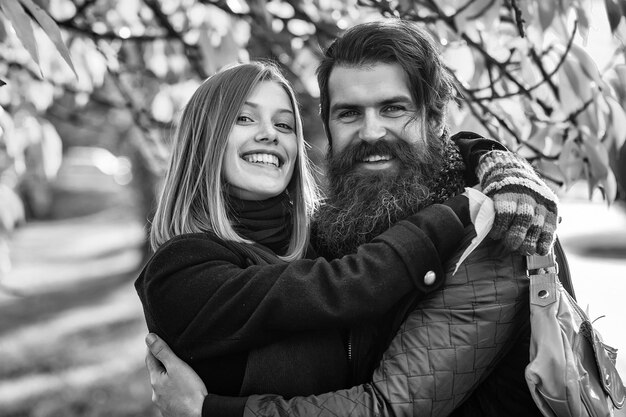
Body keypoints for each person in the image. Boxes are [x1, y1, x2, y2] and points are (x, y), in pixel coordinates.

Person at [138, 21, 558, 416]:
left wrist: (487, 163)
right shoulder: (338, 229)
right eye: (350, 113)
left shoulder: (494, 231)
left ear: (434, 118)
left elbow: (389, 407)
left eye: (393, 109)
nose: (371, 132)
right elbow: (342, 284)